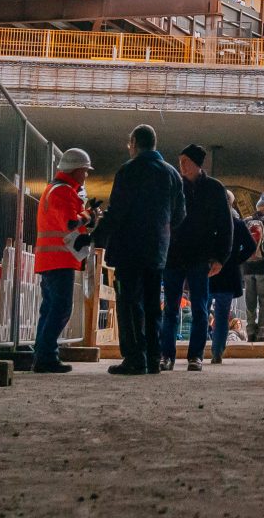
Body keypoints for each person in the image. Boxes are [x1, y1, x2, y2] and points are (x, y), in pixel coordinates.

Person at [94, 125, 184, 375]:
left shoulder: (128, 170)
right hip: (157, 251)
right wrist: (161, 231)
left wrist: (98, 236)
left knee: (129, 303)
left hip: (129, 250)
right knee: (154, 304)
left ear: (134, 143)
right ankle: (154, 358)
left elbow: (117, 211)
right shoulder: (172, 174)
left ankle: (135, 358)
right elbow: (179, 214)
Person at [160, 143, 231, 372]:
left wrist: (221, 257)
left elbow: (225, 226)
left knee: (200, 307)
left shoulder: (214, 189)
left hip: (200, 257)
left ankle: (195, 355)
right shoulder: (174, 186)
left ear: (198, 164)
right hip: (173, 255)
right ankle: (166, 354)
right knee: (170, 307)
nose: (181, 166)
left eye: (186, 162)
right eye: (180, 161)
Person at [31, 146, 96, 373]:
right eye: (85, 171)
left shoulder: (54, 189)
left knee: (49, 308)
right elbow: (70, 223)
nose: (86, 175)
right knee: (61, 308)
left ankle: (41, 355)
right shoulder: (63, 191)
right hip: (58, 260)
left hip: (50, 260)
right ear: (76, 170)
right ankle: (46, 356)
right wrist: (90, 216)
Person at [206, 190, 254, 364]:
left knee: (201, 311)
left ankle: (197, 350)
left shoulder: (208, 223)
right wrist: (235, 260)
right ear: (232, 204)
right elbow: (250, 246)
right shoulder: (238, 224)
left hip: (208, 273)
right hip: (228, 276)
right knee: (221, 315)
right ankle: (217, 351)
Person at [242, 196, 264, 342]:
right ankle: (262, 332)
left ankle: (250, 331)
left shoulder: (246, 221)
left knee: (250, 301)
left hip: (247, 268)